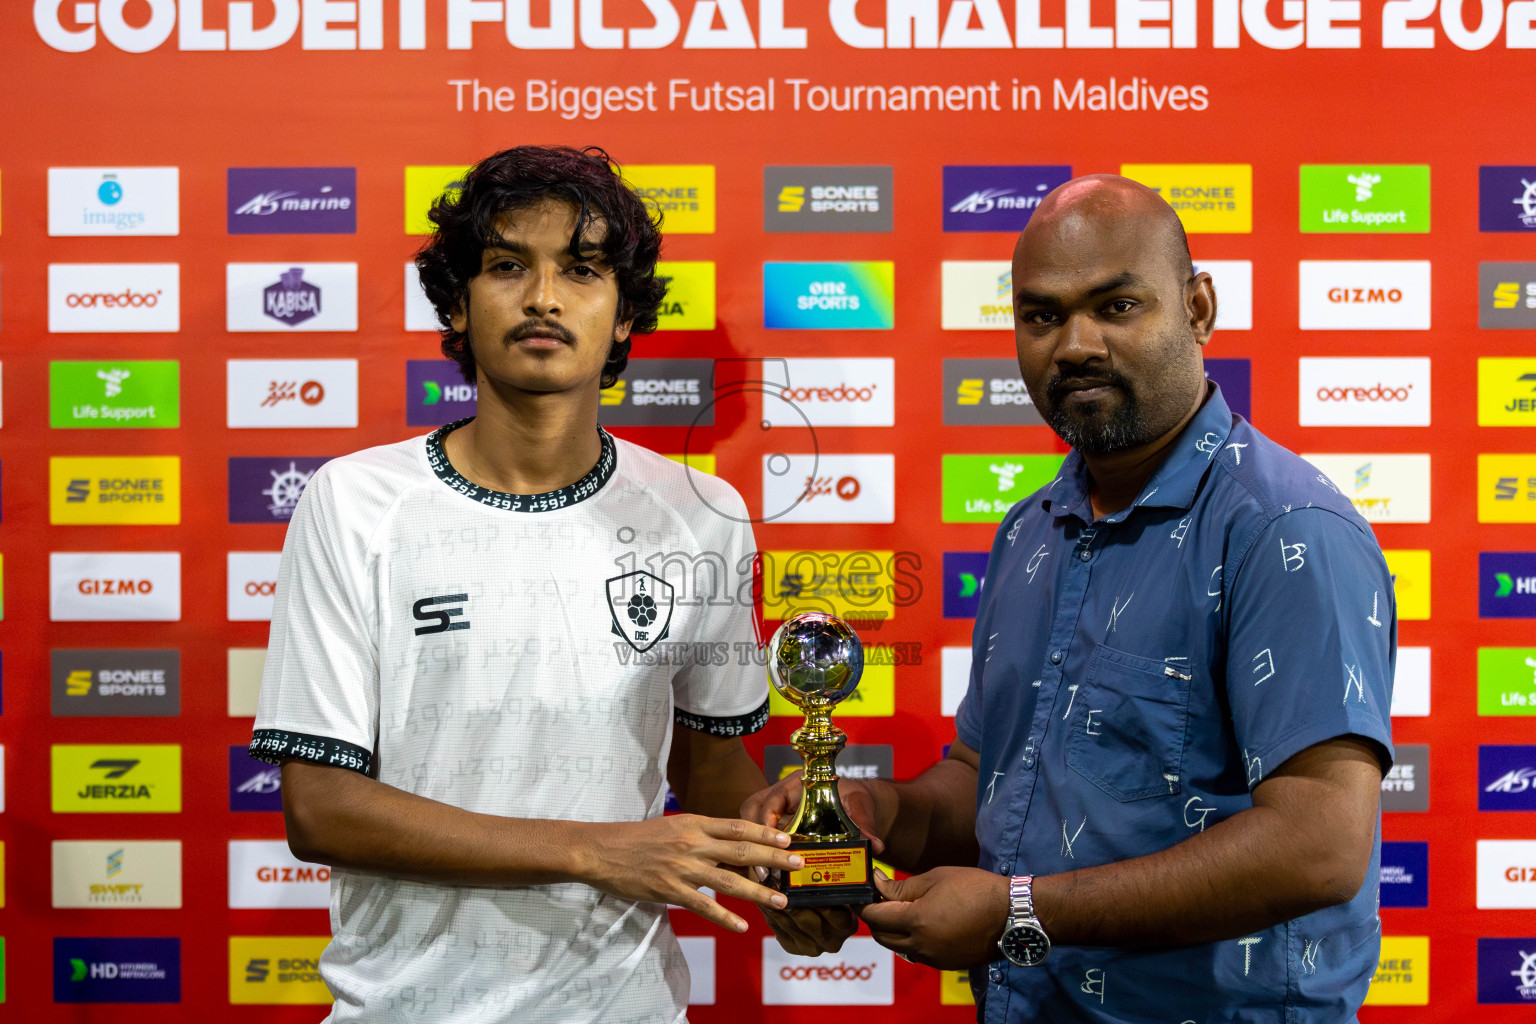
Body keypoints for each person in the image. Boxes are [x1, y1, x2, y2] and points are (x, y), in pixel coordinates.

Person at [748, 174, 1396, 1023]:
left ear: (1198, 309)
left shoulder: (1284, 528)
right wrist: (873, 813)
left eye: (1117, 307)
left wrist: (1018, 912)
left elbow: (1318, 850)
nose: (1075, 345)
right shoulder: (1032, 529)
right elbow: (988, 785)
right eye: (1043, 316)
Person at [250, 144, 804, 1024]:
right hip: (404, 1007)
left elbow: (709, 767)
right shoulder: (356, 502)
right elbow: (321, 809)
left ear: (623, 316)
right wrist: (598, 851)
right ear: (459, 307)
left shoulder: (703, 512)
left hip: (623, 1007)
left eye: (581, 271)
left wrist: (781, 853)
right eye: (508, 266)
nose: (543, 297)